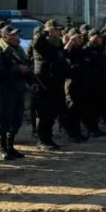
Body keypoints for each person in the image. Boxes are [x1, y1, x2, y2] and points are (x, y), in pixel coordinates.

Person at [0, 26, 29, 161]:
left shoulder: (18, 50)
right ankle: (3, 148)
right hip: (5, 90)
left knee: (16, 119)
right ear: (5, 37)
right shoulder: (0, 51)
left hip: (18, 88)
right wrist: (17, 69)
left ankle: (10, 146)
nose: (16, 37)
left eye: (16, 35)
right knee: (5, 120)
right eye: (12, 35)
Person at [32, 19, 67, 150]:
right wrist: (45, 32)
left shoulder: (57, 42)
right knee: (43, 113)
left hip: (55, 81)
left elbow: (61, 56)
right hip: (43, 82)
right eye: (56, 29)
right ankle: (42, 140)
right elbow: (37, 44)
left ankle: (48, 138)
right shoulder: (41, 41)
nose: (59, 32)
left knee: (52, 113)